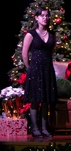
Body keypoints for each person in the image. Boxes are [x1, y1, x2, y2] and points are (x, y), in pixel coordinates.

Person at [22, 8, 57, 138]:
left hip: (47, 69)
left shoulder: (52, 34)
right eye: (42, 15)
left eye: (47, 15)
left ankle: (44, 127)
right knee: (36, 99)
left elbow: (51, 51)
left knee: (46, 100)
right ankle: (35, 128)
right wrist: (29, 68)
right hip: (35, 70)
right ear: (36, 18)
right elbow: (24, 53)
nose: (45, 18)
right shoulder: (31, 34)